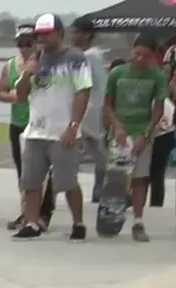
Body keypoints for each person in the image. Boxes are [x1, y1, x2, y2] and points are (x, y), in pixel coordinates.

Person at [13, 13, 92, 241]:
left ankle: (78, 222)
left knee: (67, 182)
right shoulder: (35, 58)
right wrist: (28, 73)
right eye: (40, 35)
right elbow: (20, 95)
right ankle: (31, 223)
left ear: (60, 33)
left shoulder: (75, 58)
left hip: (62, 131)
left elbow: (82, 92)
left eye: (48, 34)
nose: (43, 39)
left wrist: (73, 125)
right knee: (30, 181)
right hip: (36, 130)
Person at [104, 35, 168, 243]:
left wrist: (146, 134)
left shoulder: (156, 76)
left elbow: (158, 109)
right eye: (137, 54)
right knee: (116, 179)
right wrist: (117, 126)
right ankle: (111, 217)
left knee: (140, 180)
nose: (140, 59)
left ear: (152, 56)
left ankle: (138, 222)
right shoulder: (117, 73)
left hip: (142, 132)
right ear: (132, 51)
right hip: (120, 133)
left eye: (146, 56)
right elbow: (108, 104)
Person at [0, 23, 55, 230]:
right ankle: (26, 213)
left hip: (43, 123)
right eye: (20, 44)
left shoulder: (47, 63)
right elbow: (1, 92)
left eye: (28, 43)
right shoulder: (11, 65)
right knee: (24, 172)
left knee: (47, 172)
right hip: (19, 123)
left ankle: (44, 212)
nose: (24, 48)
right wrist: (12, 96)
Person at [68, 17, 109, 204]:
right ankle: (100, 192)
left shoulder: (89, 56)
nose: (72, 35)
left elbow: (85, 85)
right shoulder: (95, 55)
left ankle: (102, 191)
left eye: (76, 32)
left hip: (90, 112)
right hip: (91, 111)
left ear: (87, 35)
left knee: (98, 155)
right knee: (100, 156)